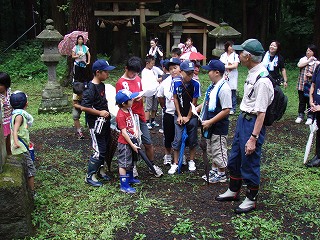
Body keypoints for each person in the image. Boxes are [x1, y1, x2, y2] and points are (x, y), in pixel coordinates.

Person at [215, 39, 274, 214]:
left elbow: (261, 112)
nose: (238, 55)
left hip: (252, 123)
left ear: (248, 56)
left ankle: (251, 199)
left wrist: (253, 138)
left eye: (241, 53)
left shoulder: (263, 80)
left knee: (250, 159)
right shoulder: (252, 72)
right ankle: (233, 190)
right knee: (235, 157)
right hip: (243, 119)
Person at [116, 56, 163, 177]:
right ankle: (132, 167)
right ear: (126, 68)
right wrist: (131, 100)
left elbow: (141, 91)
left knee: (148, 142)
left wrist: (140, 97)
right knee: (132, 143)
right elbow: (120, 102)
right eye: (132, 72)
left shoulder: (137, 78)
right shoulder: (121, 82)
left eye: (136, 72)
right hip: (129, 117)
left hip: (140, 115)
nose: (134, 75)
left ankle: (151, 164)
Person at [81, 59, 115, 187]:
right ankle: (90, 176)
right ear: (97, 72)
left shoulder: (102, 85)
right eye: (105, 72)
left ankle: (100, 171)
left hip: (105, 122)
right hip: (95, 124)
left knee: (105, 147)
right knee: (98, 150)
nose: (108, 74)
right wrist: (100, 113)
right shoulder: (90, 88)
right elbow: (84, 107)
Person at [197, 60, 232, 183]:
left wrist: (210, 121)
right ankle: (214, 170)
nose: (208, 73)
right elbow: (207, 100)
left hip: (218, 127)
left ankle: (222, 173)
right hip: (210, 125)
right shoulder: (213, 86)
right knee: (211, 149)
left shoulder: (224, 89)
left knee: (219, 149)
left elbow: (226, 110)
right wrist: (198, 108)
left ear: (217, 72)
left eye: (209, 71)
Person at [168, 60, 201, 174]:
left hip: (191, 116)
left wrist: (188, 116)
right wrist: (180, 115)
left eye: (192, 73)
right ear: (181, 72)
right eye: (188, 73)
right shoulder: (175, 82)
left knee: (192, 139)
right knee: (177, 139)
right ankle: (175, 163)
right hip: (179, 115)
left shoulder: (196, 84)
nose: (190, 76)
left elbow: (194, 102)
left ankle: (191, 160)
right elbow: (175, 98)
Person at [10, 91, 36, 196]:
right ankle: (32, 193)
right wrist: (17, 143)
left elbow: (20, 131)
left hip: (22, 145)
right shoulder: (20, 116)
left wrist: (27, 141)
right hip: (20, 148)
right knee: (31, 169)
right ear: (26, 104)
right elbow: (15, 130)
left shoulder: (16, 114)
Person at [115, 89, 141, 193]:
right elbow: (124, 133)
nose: (132, 101)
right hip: (125, 143)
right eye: (130, 99)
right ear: (123, 103)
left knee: (130, 162)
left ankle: (130, 178)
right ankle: (124, 185)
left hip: (132, 141)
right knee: (124, 163)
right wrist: (132, 145)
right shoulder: (121, 115)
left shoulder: (128, 109)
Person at [157, 58, 181, 166]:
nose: (173, 71)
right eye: (170, 69)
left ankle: (181, 155)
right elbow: (160, 96)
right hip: (169, 113)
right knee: (168, 134)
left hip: (181, 114)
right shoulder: (165, 83)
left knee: (180, 135)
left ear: (180, 68)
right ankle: (167, 155)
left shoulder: (184, 81)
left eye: (175, 68)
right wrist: (164, 107)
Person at [295, 44, 319, 125]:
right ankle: (300, 115)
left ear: (314, 52)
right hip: (301, 84)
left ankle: (310, 116)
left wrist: (312, 75)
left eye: (310, 51)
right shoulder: (303, 60)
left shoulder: (317, 63)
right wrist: (308, 61)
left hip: (311, 86)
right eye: (307, 50)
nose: (308, 52)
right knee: (301, 101)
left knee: (310, 101)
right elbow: (299, 65)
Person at [141, 55, 161, 129]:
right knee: (148, 107)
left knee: (155, 107)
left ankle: (152, 120)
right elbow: (151, 81)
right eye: (152, 63)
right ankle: (147, 121)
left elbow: (161, 73)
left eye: (153, 63)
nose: (153, 65)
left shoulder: (153, 69)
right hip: (149, 91)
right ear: (147, 63)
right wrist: (159, 79)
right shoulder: (144, 72)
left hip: (155, 91)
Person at [219, 41, 240, 114]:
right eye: (230, 46)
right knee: (224, 89)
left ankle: (233, 108)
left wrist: (225, 66)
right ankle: (224, 106)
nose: (232, 48)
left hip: (232, 75)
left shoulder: (235, 55)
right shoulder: (223, 55)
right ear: (227, 47)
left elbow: (235, 65)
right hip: (224, 74)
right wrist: (226, 66)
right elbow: (220, 64)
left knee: (232, 91)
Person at [306, 63, 320, 167]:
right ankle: (318, 155)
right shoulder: (318, 67)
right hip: (316, 104)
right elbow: (313, 84)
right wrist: (311, 99)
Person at [0, 72, 13, 155]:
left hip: (10, 120)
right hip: (2, 122)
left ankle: (10, 154)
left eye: (0, 84)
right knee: (3, 141)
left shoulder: (9, 92)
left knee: (10, 139)